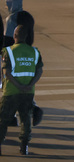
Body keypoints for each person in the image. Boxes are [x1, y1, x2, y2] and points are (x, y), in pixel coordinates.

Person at [0, 25, 44, 155]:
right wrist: (29, 84)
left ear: (14, 36)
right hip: (28, 93)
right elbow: (39, 71)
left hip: (11, 92)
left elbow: (7, 73)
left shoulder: (8, 51)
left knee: (3, 120)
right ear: (26, 37)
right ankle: (24, 147)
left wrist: (18, 86)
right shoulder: (35, 52)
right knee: (26, 120)